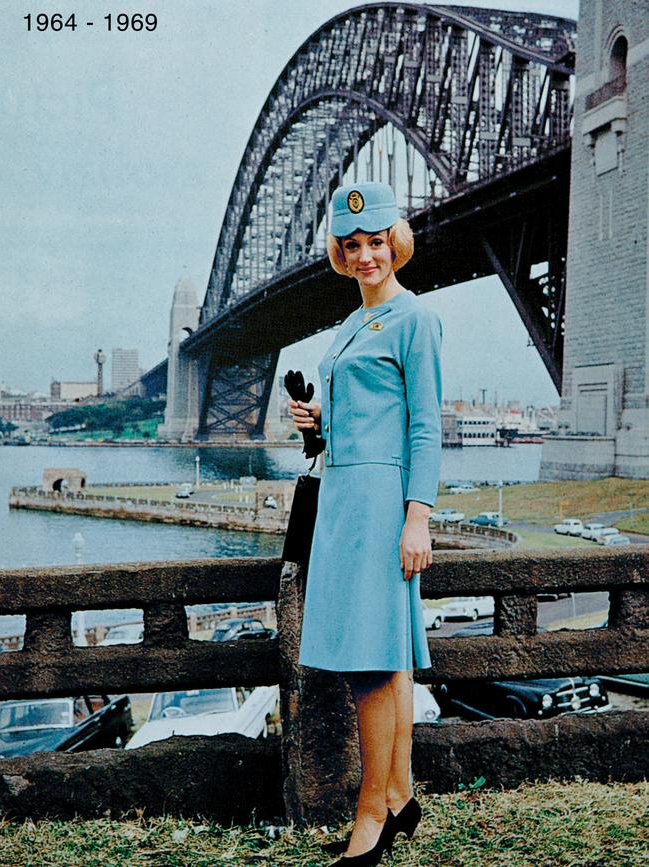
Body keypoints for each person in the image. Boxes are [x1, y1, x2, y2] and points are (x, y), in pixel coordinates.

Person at [288, 180, 443, 866]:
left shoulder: (414, 320)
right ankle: (401, 794)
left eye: (374, 242)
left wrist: (420, 518)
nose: (363, 255)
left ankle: (370, 817)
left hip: (381, 504)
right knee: (382, 656)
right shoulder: (352, 324)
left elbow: (426, 429)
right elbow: (362, 417)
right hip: (342, 499)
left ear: (394, 243)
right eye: (351, 246)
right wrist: (319, 420)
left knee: (371, 664)